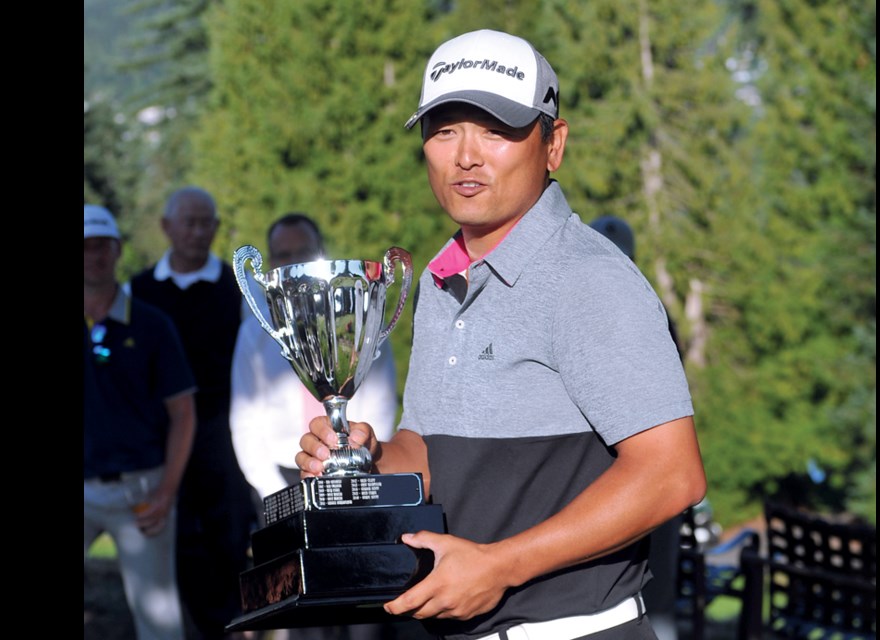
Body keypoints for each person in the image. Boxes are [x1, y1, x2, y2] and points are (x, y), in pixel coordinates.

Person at [297, 29, 707, 640]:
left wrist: (499, 566)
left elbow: (672, 475)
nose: (466, 155)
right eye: (444, 130)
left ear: (553, 144)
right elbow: (433, 451)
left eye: (495, 129)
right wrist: (369, 459)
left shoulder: (590, 278)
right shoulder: (443, 280)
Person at [130, 187, 258, 639]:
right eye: (189, 222)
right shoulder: (138, 292)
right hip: (162, 440)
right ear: (167, 227)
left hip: (225, 434)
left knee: (229, 538)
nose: (198, 232)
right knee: (172, 542)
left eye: (207, 223)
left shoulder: (238, 291)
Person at [231, 212, 399, 509]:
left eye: (304, 253)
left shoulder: (358, 320)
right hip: (279, 479)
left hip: (357, 473)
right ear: (270, 263)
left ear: (320, 254)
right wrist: (277, 494)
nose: (294, 262)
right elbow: (246, 422)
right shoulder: (253, 333)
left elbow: (382, 404)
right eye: (284, 255)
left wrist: (364, 468)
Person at [84, 204, 196, 640]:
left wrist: (167, 491)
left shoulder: (152, 325)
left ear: (117, 251)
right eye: (85, 247)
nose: (92, 256)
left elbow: (183, 412)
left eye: (101, 247)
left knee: (159, 623)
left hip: (143, 492)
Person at [589, 215, 684, 640]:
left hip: (641, 477)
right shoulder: (650, 314)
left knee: (653, 597)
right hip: (613, 482)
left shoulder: (648, 318)